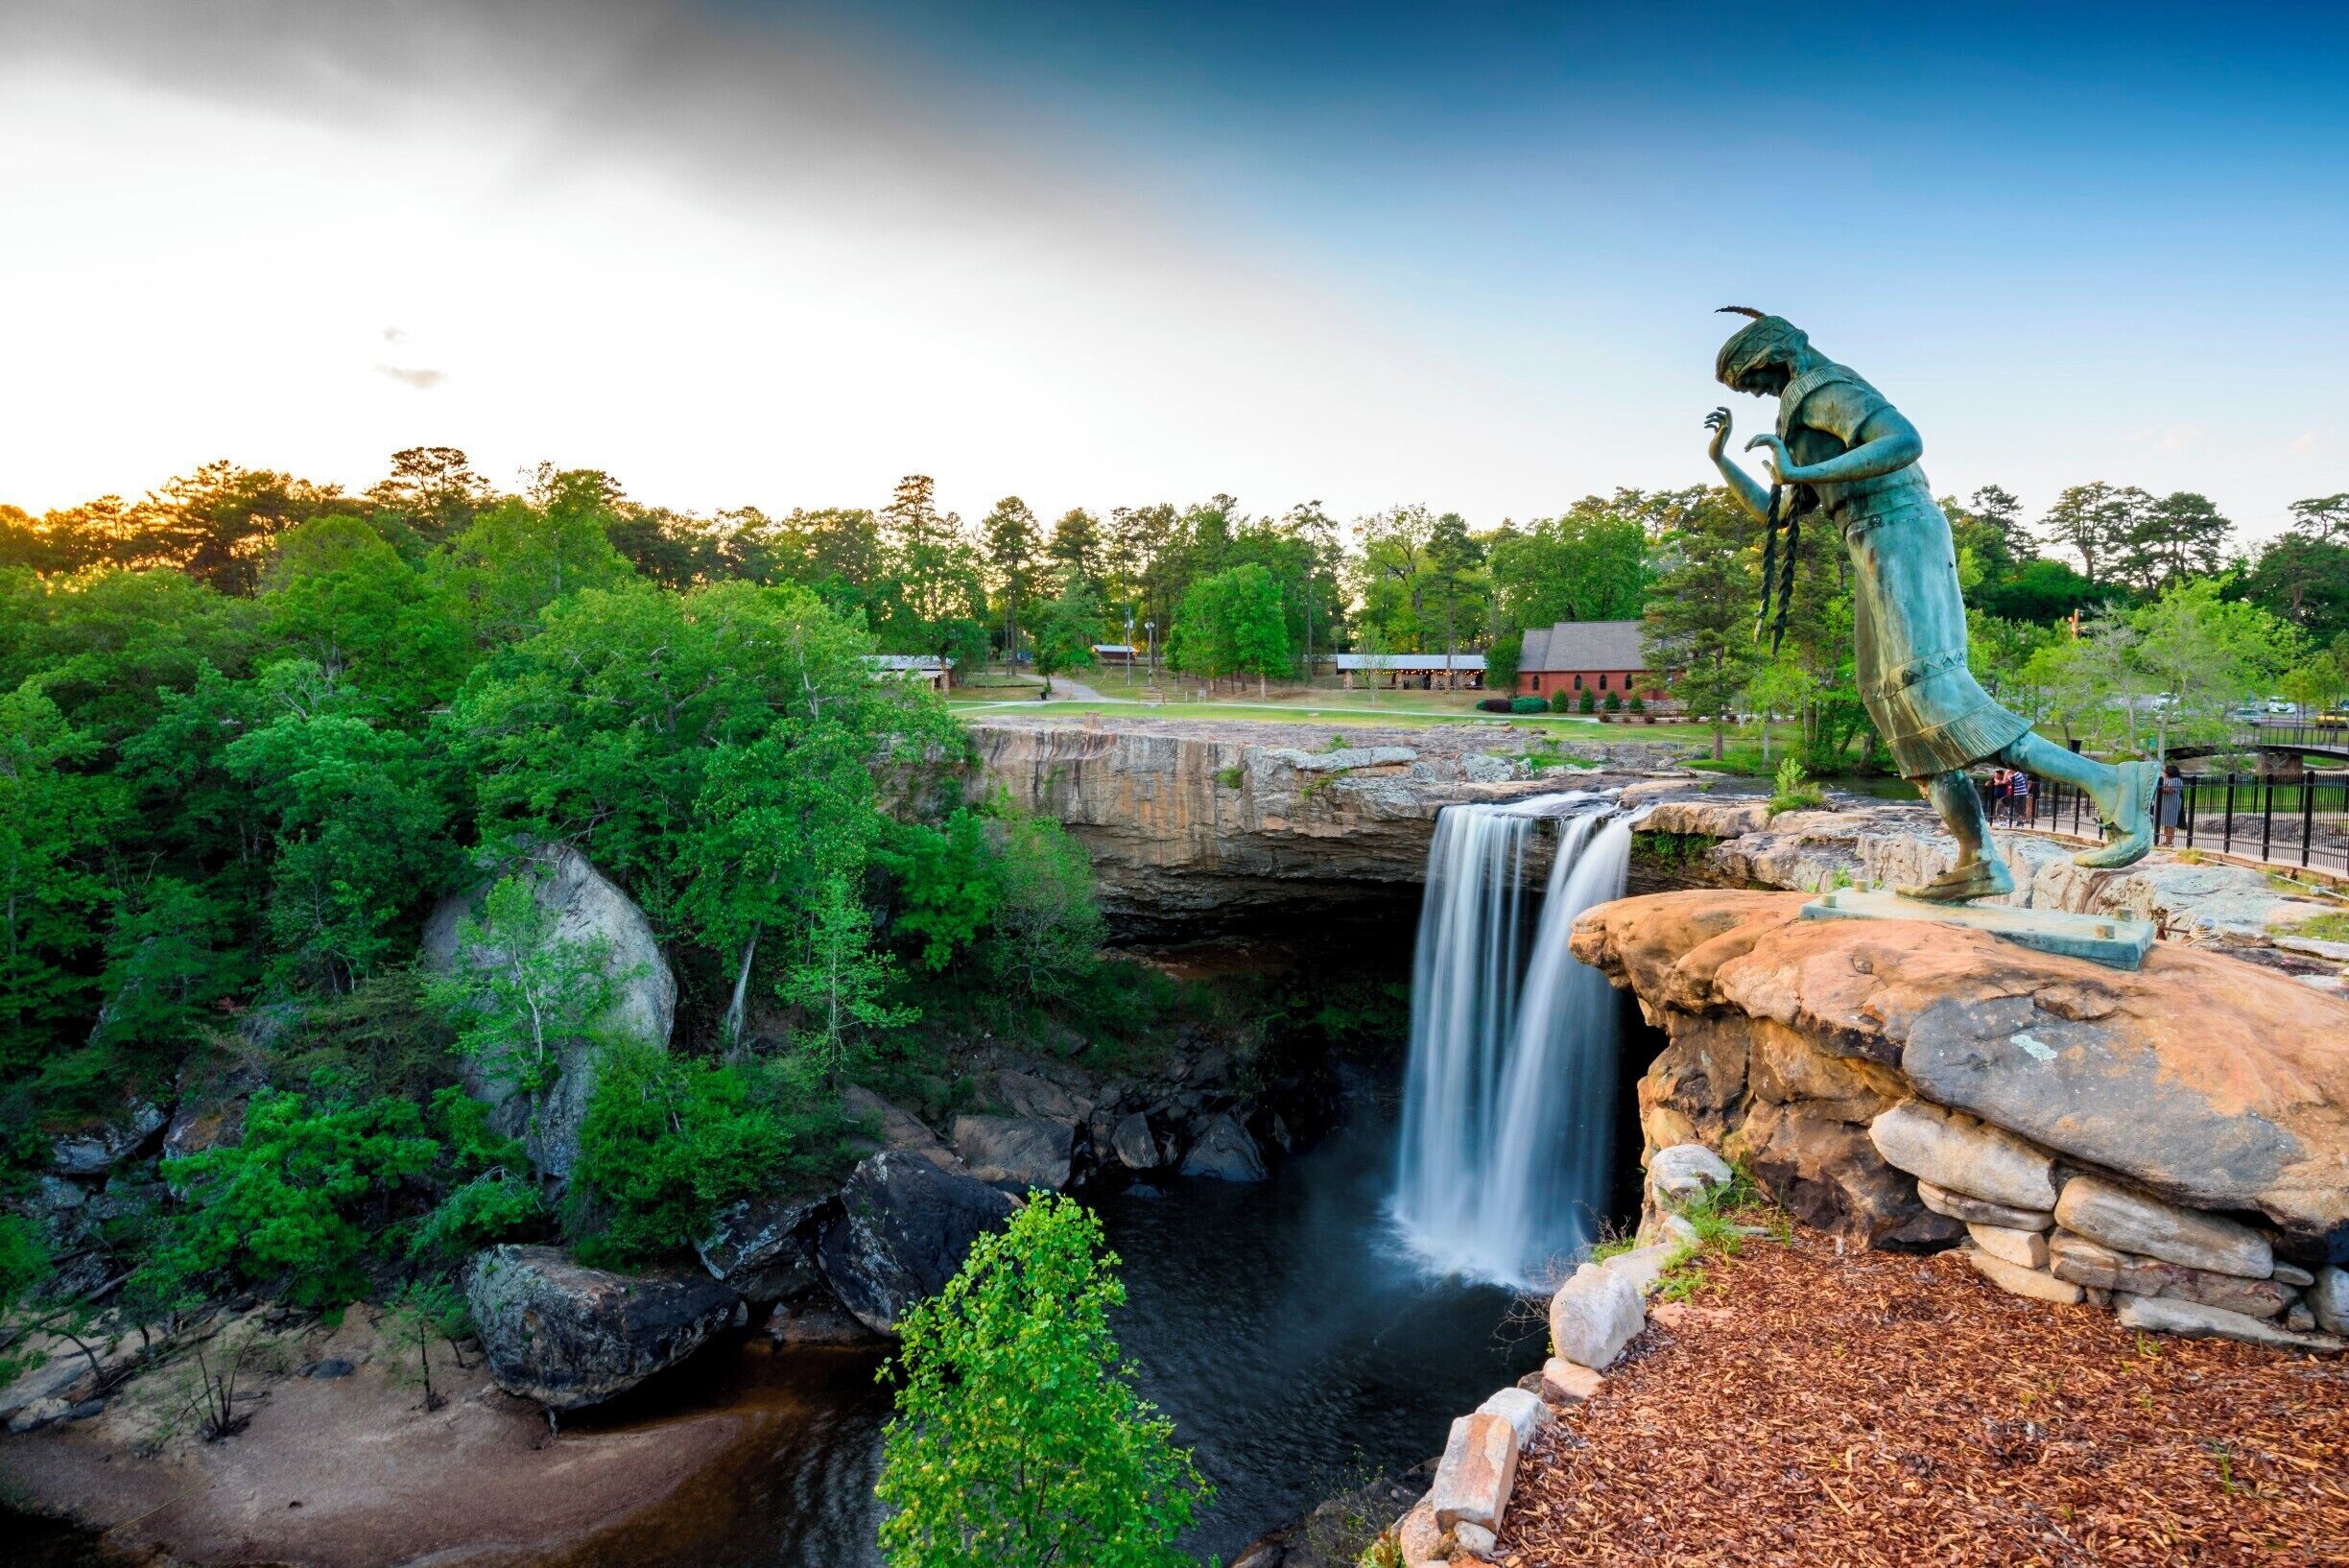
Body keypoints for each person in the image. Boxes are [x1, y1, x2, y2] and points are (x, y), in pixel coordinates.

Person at [1705, 309, 2155, 901]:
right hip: (1869, 542)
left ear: (1773, 358)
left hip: (1899, 531)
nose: (1758, 393)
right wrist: (1721, 459)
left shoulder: (1827, 387)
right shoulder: (1800, 408)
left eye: (1754, 380)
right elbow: (1781, 511)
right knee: (1895, 703)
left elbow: (1904, 440)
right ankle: (1977, 859)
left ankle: (2109, 782)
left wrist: (1801, 468)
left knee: (1934, 691)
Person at [2157, 762, 2185, 846]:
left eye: (2165, 771)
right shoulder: (2166, 780)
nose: (2164, 772)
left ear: (2170, 772)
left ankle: (2170, 841)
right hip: (2165, 804)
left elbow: (2170, 790)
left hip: (2172, 804)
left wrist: (2159, 786)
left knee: (2171, 822)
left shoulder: (2176, 780)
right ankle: (2167, 840)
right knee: (2166, 822)